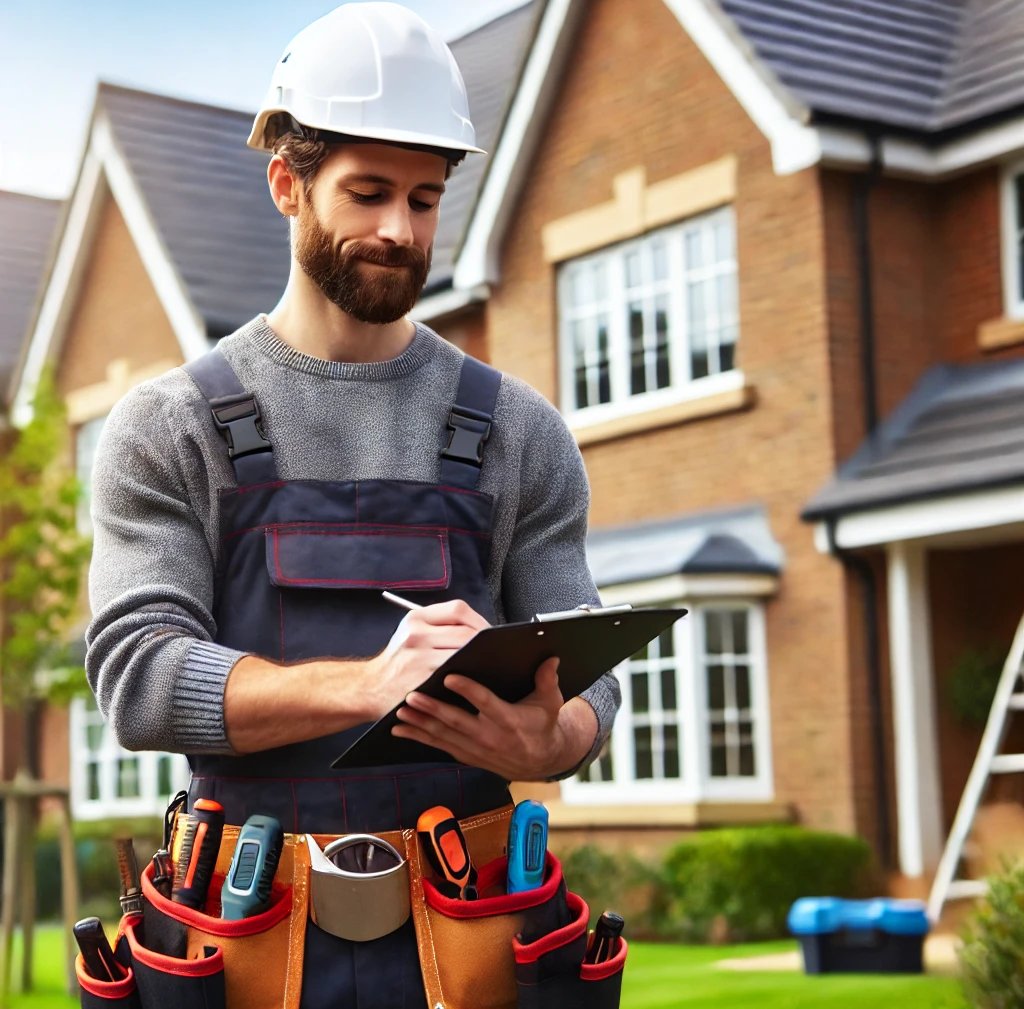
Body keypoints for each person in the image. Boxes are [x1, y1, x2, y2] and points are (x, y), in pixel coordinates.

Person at [85, 3, 619, 1006]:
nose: (399, 230)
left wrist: (557, 738)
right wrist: (371, 685)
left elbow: (590, 663)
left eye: (424, 198)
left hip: (468, 941)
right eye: (367, 192)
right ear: (287, 183)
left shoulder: (515, 429)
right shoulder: (172, 425)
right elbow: (140, 678)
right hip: (242, 941)